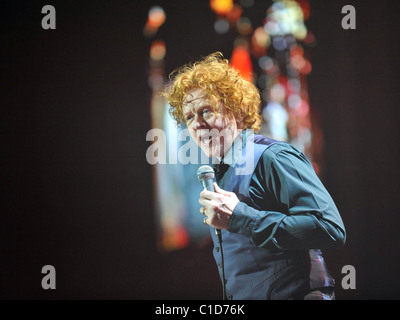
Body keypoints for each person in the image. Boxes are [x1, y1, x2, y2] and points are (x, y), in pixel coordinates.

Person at [162, 52, 346, 300]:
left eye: (206, 111)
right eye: (189, 117)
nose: (197, 124)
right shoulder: (222, 174)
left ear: (237, 110)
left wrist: (240, 216)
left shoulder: (273, 157)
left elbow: (330, 229)